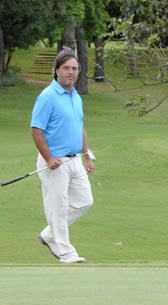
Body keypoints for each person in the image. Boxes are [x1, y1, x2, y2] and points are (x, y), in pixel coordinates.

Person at [30, 47, 95, 264]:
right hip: (54, 162)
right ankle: (65, 252)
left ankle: (50, 234)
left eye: (75, 68)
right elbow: (36, 130)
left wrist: (87, 155)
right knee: (57, 207)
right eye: (66, 68)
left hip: (75, 159)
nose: (71, 72)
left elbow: (80, 126)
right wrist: (48, 158)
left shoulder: (75, 96)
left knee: (85, 201)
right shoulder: (47, 96)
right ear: (56, 71)